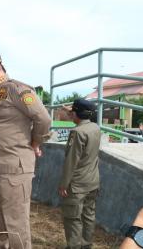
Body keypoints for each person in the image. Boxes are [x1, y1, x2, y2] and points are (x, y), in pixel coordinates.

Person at [0, 52, 51, 249]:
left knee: (15, 223)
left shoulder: (17, 89)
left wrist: (35, 143)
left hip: (13, 167)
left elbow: (44, 120)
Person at [59, 99, 101, 249]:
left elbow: (71, 161)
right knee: (88, 215)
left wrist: (64, 184)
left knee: (73, 218)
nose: (71, 115)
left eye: (72, 112)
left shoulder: (77, 132)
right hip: (93, 181)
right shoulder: (95, 127)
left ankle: (74, 246)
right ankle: (86, 244)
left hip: (77, 185)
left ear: (77, 114)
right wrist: (71, 109)